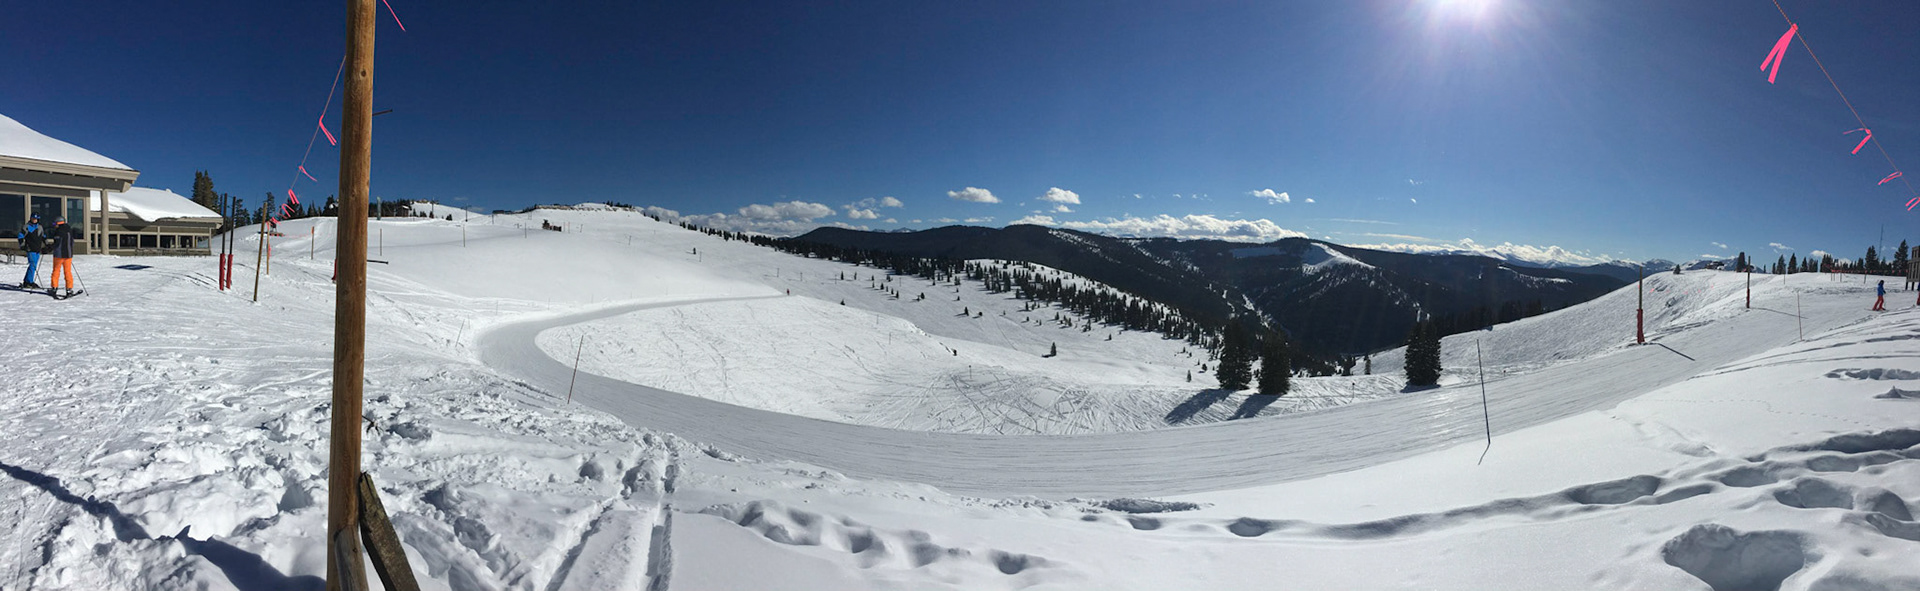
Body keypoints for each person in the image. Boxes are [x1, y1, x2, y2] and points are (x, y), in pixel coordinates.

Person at [46, 216, 83, 297]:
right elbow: (72, 242)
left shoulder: (59, 231)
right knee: (68, 272)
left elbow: (57, 243)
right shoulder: (69, 230)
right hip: (68, 255)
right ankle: (69, 289)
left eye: (54, 223)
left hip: (59, 255)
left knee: (56, 271)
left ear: (58, 223)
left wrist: (48, 248)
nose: (54, 225)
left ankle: (54, 288)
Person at [16, 213, 45, 288]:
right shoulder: (26, 227)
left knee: (33, 265)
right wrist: (22, 245)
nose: (34, 220)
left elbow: (43, 236)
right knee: (33, 265)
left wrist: (47, 244)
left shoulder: (40, 227)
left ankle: (26, 281)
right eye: (33, 219)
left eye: (35, 219)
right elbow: (20, 236)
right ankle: (30, 282)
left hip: (37, 249)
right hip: (30, 248)